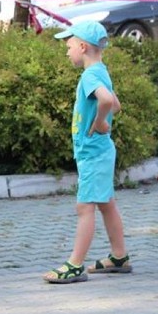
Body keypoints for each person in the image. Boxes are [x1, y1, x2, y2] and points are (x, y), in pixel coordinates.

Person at [43, 20, 129, 284]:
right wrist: (104, 118)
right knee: (105, 203)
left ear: (82, 46)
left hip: (93, 151)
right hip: (99, 150)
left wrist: (98, 122)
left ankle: (75, 264)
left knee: (85, 207)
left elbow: (106, 102)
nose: (67, 51)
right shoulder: (101, 71)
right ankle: (119, 256)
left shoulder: (90, 75)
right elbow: (117, 104)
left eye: (69, 46)